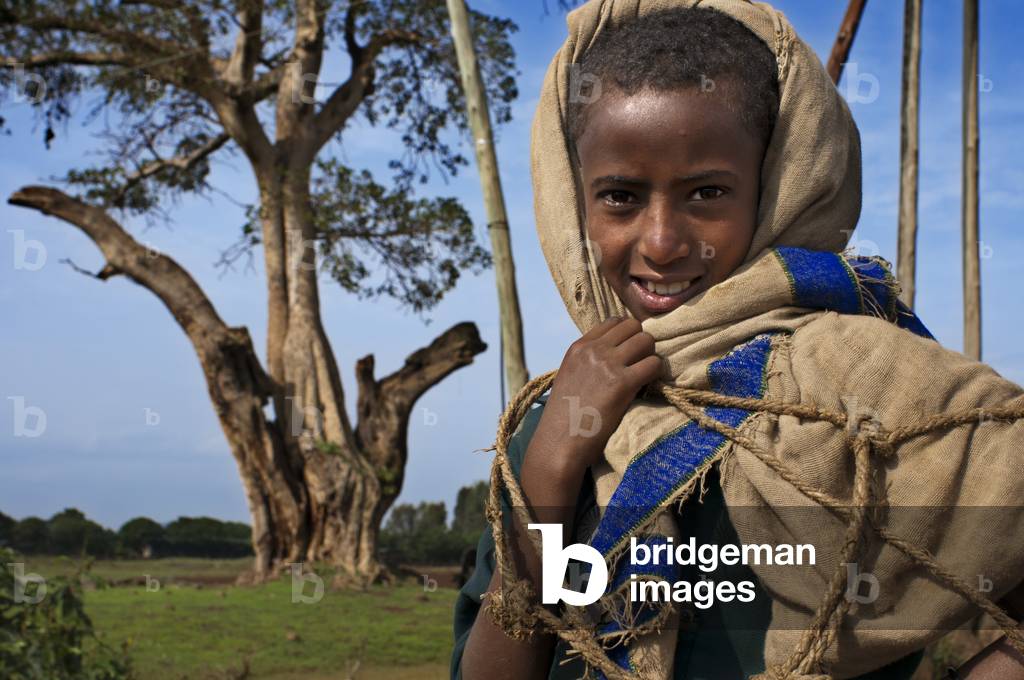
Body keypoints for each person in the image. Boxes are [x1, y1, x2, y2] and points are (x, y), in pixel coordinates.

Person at [451, 2, 1024, 679]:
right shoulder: (557, 420)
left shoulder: (882, 394)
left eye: (707, 192)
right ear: (571, 200)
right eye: (620, 197)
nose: (662, 242)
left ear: (778, 185)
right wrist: (547, 475)